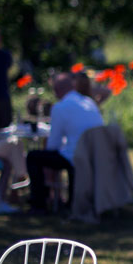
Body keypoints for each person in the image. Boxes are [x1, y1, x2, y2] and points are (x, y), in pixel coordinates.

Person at [25, 73, 103, 213]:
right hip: (97, 153)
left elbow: (53, 144)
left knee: (33, 157)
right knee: (59, 155)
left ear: (56, 90)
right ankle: (61, 199)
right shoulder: (88, 101)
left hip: (76, 156)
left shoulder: (60, 107)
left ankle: (39, 204)